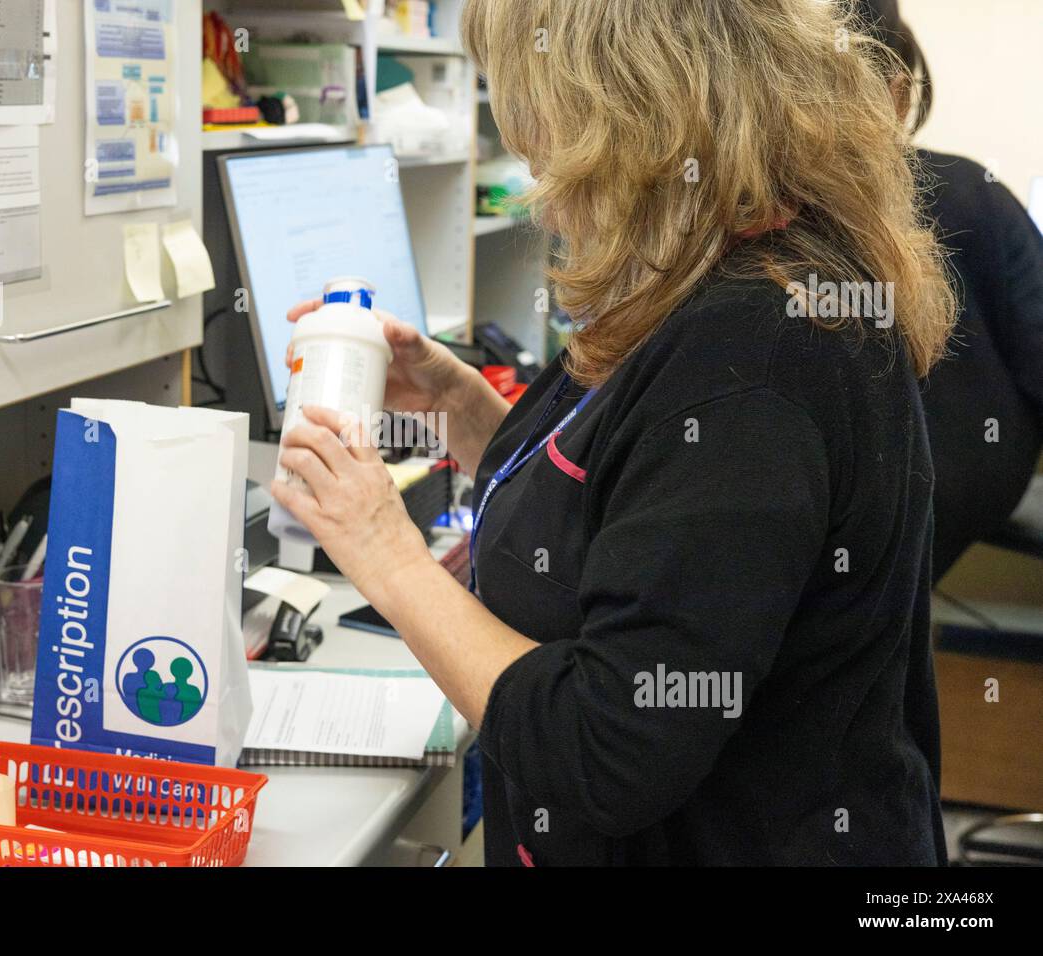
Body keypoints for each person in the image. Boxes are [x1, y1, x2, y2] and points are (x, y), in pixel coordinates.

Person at [270, 0, 955, 865]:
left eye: (545, 144)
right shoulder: (727, 274)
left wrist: (384, 549)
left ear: (627, 125)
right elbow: (625, 497)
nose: (539, 186)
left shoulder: (758, 356)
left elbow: (608, 749)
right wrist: (461, 407)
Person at [858, 0, 1043, 581]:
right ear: (902, 93)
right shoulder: (977, 192)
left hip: (857, 497)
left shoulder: (783, 214)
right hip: (971, 480)